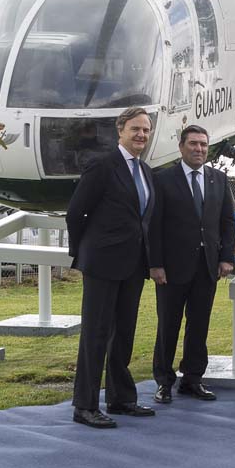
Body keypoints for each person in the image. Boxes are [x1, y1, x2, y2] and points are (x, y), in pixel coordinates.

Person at [67, 106, 156, 429]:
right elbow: (76, 213)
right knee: (96, 334)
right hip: (102, 264)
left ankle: (121, 399)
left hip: (133, 266)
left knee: (124, 335)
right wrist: (84, 252)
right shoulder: (102, 165)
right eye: (135, 129)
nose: (141, 135)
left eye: (145, 129)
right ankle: (85, 406)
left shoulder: (145, 172)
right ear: (120, 130)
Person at [149, 125, 235, 404]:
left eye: (203, 144)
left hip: (207, 266)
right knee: (168, 326)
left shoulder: (218, 179)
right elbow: (154, 225)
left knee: (199, 325)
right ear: (181, 147)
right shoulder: (163, 180)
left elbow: (227, 222)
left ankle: (193, 379)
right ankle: (164, 381)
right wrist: (155, 264)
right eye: (193, 144)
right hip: (172, 269)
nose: (199, 149)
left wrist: (226, 258)